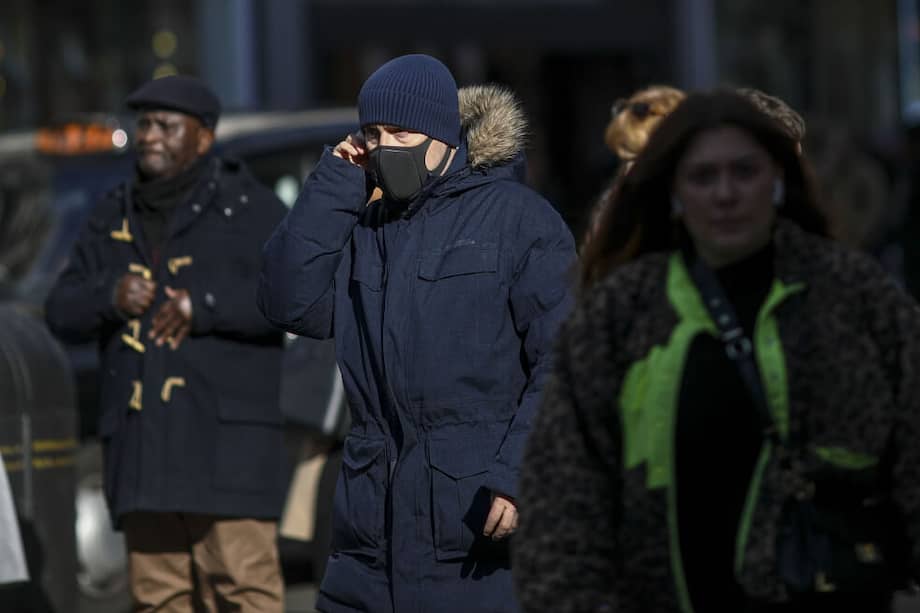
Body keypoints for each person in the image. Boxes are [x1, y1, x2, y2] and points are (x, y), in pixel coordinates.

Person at [513, 90, 920, 612]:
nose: (725, 193)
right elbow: (562, 502)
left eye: (744, 171)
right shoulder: (621, 316)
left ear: (779, 180)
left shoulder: (856, 300)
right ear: (674, 192)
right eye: (703, 176)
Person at [258, 54, 576, 613]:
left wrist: (522, 473)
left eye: (399, 133)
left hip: (476, 534)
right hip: (366, 538)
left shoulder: (519, 220)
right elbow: (287, 302)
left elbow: (567, 360)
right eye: (372, 135)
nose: (384, 148)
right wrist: (336, 180)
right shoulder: (364, 226)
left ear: (441, 137)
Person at [45, 75, 289, 612]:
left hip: (227, 453)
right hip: (143, 453)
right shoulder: (112, 212)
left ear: (203, 137)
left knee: (244, 593)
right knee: (158, 600)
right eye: (145, 124)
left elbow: (296, 300)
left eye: (165, 125)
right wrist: (110, 294)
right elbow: (60, 308)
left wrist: (202, 307)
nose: (150, 135)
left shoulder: (253, 210)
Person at [581, 85, 685, 283]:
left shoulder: (694, 203)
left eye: (640, 158)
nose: (629, 171)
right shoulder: (615, 201)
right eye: (625, 157)